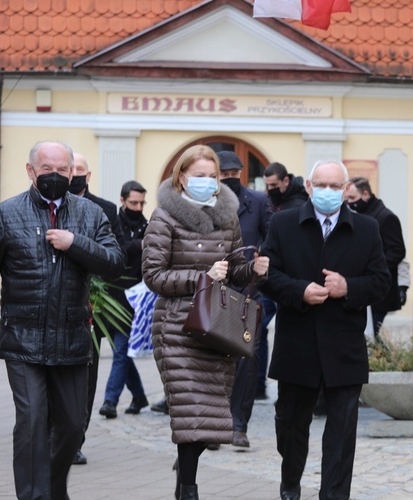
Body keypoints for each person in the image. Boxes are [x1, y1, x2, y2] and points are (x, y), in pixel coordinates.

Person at [0, 141, 124, 500]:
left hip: (72, 339)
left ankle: (54, 488)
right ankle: (35, 495)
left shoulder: (90, 214)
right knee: (30, 423)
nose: (56, 176)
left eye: (64, 170)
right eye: (47, 169)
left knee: (74, 426)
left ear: (73, 172)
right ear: (31, 171)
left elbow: (115, 262)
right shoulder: (5, 214)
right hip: (22, 340)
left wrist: (75, 243)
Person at [141, 145, 269, 500]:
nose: (207, 182)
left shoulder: (227, 217)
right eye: (199, 176)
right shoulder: (164, 217)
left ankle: (185, 472)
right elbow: (153, 275)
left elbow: (234, 274)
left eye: (211, 177)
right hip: (177, 329)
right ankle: (189, 491)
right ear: (181, 177)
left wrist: (252, 269)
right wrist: (202, 277)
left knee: (209, 417)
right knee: (191, 412)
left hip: (216, 329)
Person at [259, 160, 390, 500]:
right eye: (322, 185)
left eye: (335, 186)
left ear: (347, 189)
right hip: (297, 342)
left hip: (343, 345)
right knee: (289, 424)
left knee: (342, 432)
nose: (328, 192)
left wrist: (349, 287)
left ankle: (333, 495)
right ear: (308, 187)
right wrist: (299, 290)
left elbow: (380, 282)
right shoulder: (284, 223)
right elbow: (268, 276)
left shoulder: (366, 228)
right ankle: (290, 484)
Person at [69, 152, 127, 465]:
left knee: (86, 379)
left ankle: (76, 437)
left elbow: (115, 255)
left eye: (80, 169)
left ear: (88, 175)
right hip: (61, 307)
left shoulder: (104, 209)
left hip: (96, 307)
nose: (75, 173)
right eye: (71, 168)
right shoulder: (50, 208)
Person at [216, 150, 272, 450]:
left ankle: (239, 424)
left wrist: (261, 267)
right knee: (213, 359)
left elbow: (272, 240)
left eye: (234, 174)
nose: (229, 178)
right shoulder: (203, 202)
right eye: (224, 174)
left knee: (245, 362)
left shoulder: (259, 202)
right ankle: (214, 424)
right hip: (211, 291)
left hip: (248, 292)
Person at [97, 181, 151, 421]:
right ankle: (139, 395)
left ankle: (110, 401)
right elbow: (115, 249)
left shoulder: (149, 227)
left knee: (121, 351)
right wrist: (138, 245)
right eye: (133, 203)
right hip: (108, 297)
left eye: (141, 203)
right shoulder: (111, 222)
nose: (138, 208)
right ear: (122, 201)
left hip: (134, 300)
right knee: (122, 352)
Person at [258, 161, 309, 400]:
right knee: (259, 328)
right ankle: (259, 383)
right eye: (267, 185)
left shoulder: (297, 205)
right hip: (269, 275)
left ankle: (285, 385)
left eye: (274, 185)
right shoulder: (273, 202)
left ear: (286, 181)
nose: (270, 189)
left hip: (288, 279)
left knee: (285, 331)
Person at [345, 177, 406, 339]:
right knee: (369, 338)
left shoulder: (385, 217)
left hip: (379, 291)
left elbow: (398, 251)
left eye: (352, 198)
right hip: (363, 288)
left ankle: (385, 363)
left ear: (366, 194)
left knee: (371, 337)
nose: (349, 203)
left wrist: (371, 265)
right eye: (347, 199)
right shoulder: (359, 215)